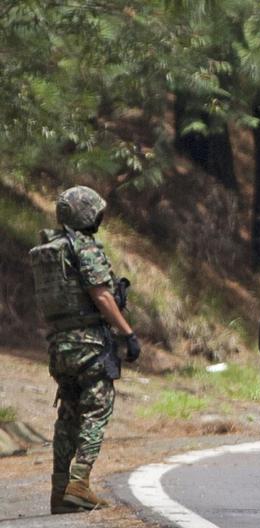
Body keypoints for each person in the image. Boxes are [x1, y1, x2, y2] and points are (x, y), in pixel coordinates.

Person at [30, 186, 141, 513]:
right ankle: (79, 482)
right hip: (89, 343)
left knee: (67, 415)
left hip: (59, 344)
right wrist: (128, 333)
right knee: (97, 408)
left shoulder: (49, 250)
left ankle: (60, 490)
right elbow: (101, 294)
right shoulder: (84, 248)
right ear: (87, 215)